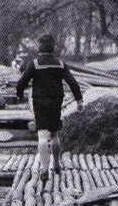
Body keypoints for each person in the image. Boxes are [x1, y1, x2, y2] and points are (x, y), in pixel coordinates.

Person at [16, 34, 83, 182]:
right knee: (54, 135)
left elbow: (21, 83)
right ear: (53, 48)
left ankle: (45, 168)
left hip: (40, 102)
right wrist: (79, 100)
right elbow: (72, 82)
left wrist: (19, 95)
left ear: (40, 48)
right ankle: (57, 163)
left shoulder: (35, 64)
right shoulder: (60, 64)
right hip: (56, 102)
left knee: (42, 136)